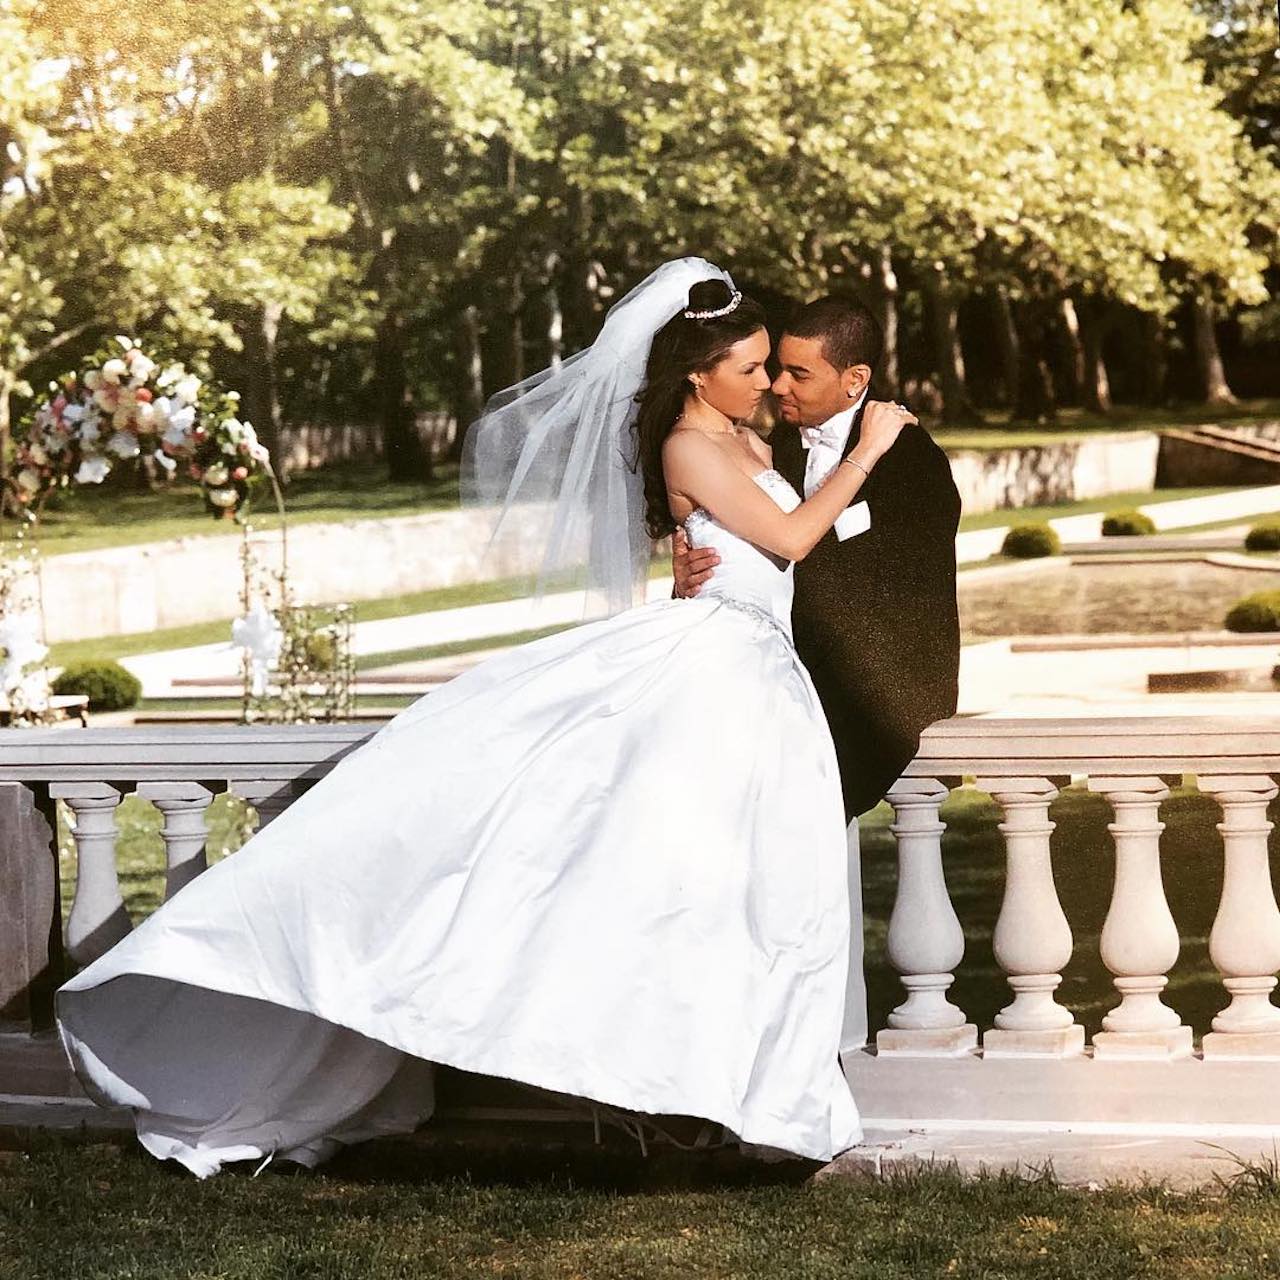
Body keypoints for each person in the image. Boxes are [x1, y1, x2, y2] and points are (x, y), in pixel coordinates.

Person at [54, 258, 916, 1178]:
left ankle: (733, 1095)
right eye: (750, 367)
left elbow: (758, 553)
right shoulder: (688, 447)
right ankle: (665, 1103)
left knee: (741, 890)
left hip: (758, 673)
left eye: (770, 366)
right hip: (717, 672)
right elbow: (789, 536)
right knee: (653, 880)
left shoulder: (746, 444)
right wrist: (868, 449)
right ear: (698, 376)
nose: (769, 383)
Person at [674, 296, 962, 821]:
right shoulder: (769, 446)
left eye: (798, 374)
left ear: (855, 380)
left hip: (871, 696)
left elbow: (909, 604)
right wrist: (698, 575)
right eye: (776, 368)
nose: (777, 385)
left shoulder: (910, 461)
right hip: (770, 676)